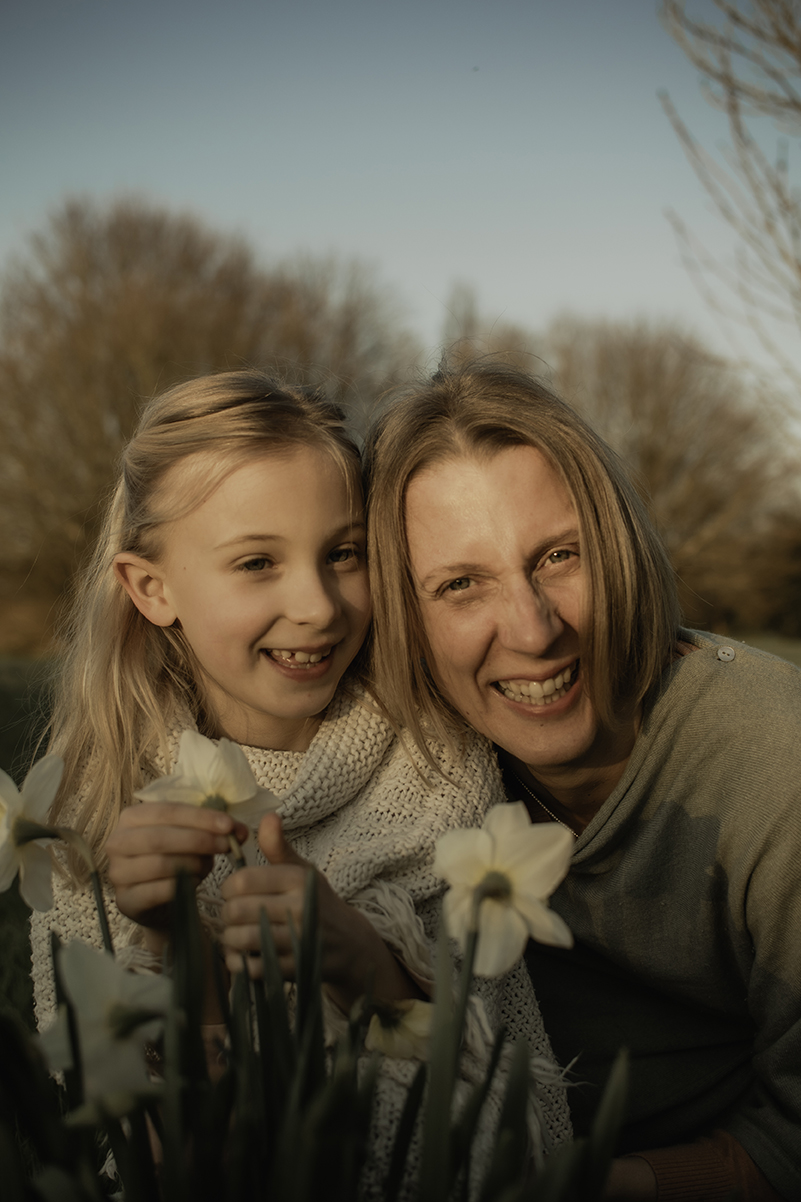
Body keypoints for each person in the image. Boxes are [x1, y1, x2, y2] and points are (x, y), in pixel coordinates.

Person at [29, 369, 571, 1185]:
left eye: (342, 554)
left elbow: (504, 1114)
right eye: (257, 562)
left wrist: (366, 964)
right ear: (152, 588)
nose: (317, 605)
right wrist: (176, 944)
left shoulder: (439, 767)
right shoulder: (96, 816)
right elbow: (133, 1154)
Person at [364, 361, 801, 1202]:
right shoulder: (403, 766)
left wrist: (587, 1184)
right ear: (402, 618)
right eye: (461, 585)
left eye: (559, 556)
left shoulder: (776, 766)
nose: (532, 630)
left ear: (619, 545)